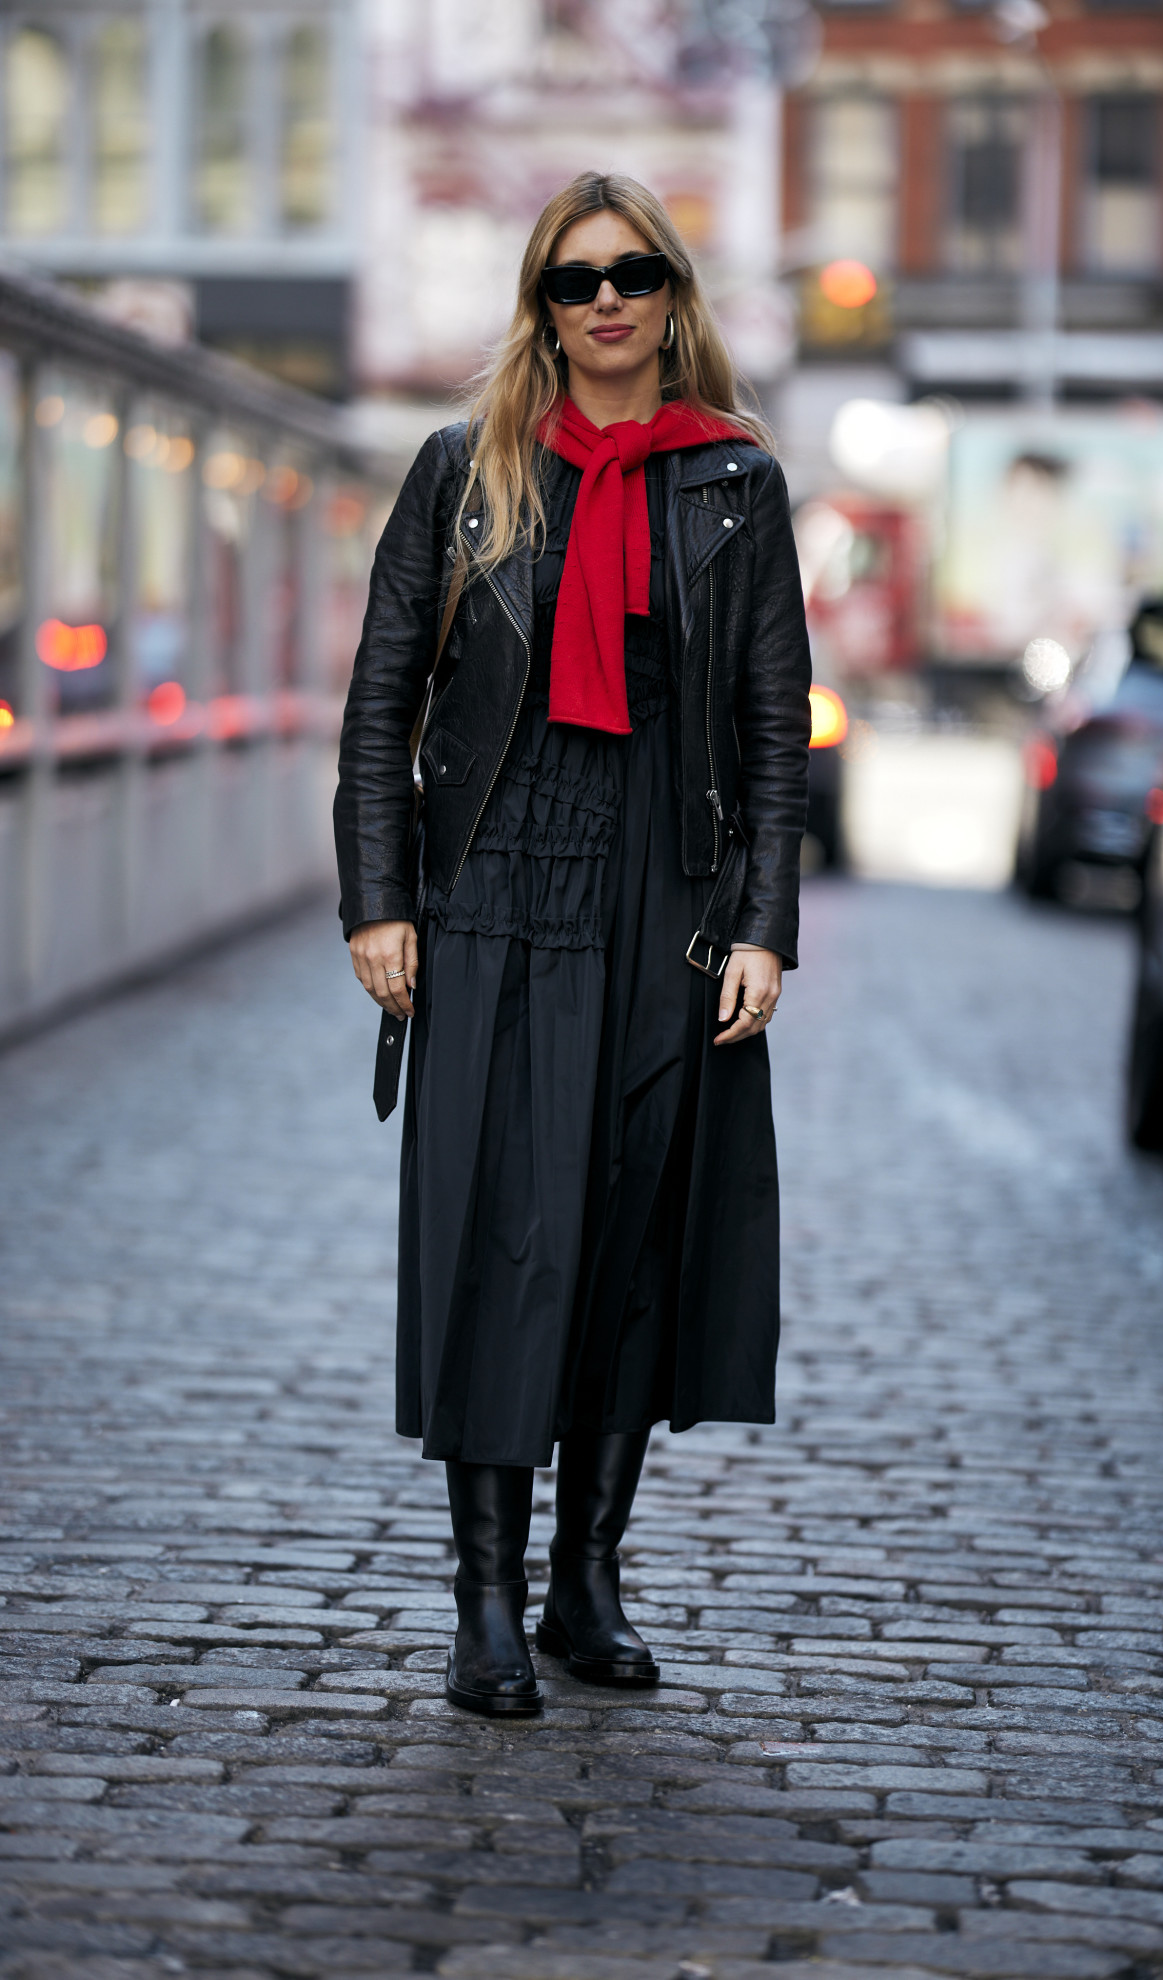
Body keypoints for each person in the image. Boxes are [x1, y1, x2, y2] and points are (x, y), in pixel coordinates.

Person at [334, 171, 810, 1718]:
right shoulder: (461, 474)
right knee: (494, 1224)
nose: (603, 302)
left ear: (674, 296)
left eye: (632, 274)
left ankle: (582, 1581)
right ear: (539, 307)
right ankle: (482, 1594)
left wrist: (761, 925)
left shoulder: (735, 484)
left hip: (662, 898)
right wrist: (378, 896)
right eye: (570, 280)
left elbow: (768, 729)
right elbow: (381, 701)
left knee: (633, 1229)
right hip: (491, 884)